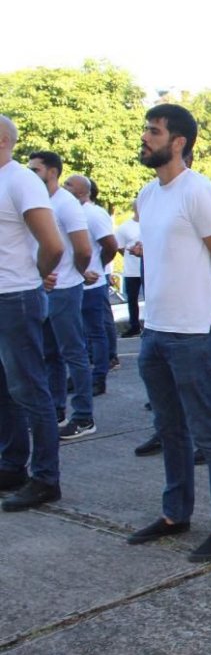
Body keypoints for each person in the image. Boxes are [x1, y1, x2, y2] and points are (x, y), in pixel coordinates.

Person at [125, 104, 211, 563]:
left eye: (153, 132)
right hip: (155, 332)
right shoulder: (148, 194)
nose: (145, 138)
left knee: (209, 435)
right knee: (169, 429)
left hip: (194, 334)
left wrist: (206, 306)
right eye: (146, 130)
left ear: (178, 142)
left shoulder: (200, 193)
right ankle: (176, 514)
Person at [0, 116, 66, 512]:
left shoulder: (21, 179)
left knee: (29, 390)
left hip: (15, 298)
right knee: (4, 390)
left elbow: (53, 245)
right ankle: (11, 465)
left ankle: (45, 478)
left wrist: (34, 277)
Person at [28, 151, 95, 440]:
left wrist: (78, 273)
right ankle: (56, 410)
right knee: (49, 354)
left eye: (36, 169)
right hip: (43, 288)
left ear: (52, 172)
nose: (30, 174)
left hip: (65, 289)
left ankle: (84, 416)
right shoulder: (39, 201)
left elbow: (84, 248)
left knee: (73, 353)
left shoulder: (66, 204)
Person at [63, 175, 118, 395]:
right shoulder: (67, 210)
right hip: (72, 284)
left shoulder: (94, 214)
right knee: (78, 335)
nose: (64, 187)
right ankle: (80, 376)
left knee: (96, 332)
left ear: (82, 191)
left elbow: (110, 246)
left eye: (69, 184)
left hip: (92, 285)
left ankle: (98, 377)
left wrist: (98, 265)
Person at [115, 200, 143, 337]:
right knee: (132, 299)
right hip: (132, 270)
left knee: (151, 298)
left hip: (149, 269)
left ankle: (150, 327)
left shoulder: (151, 224)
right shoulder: (124, 227)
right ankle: (134, 325)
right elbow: (119, 247)